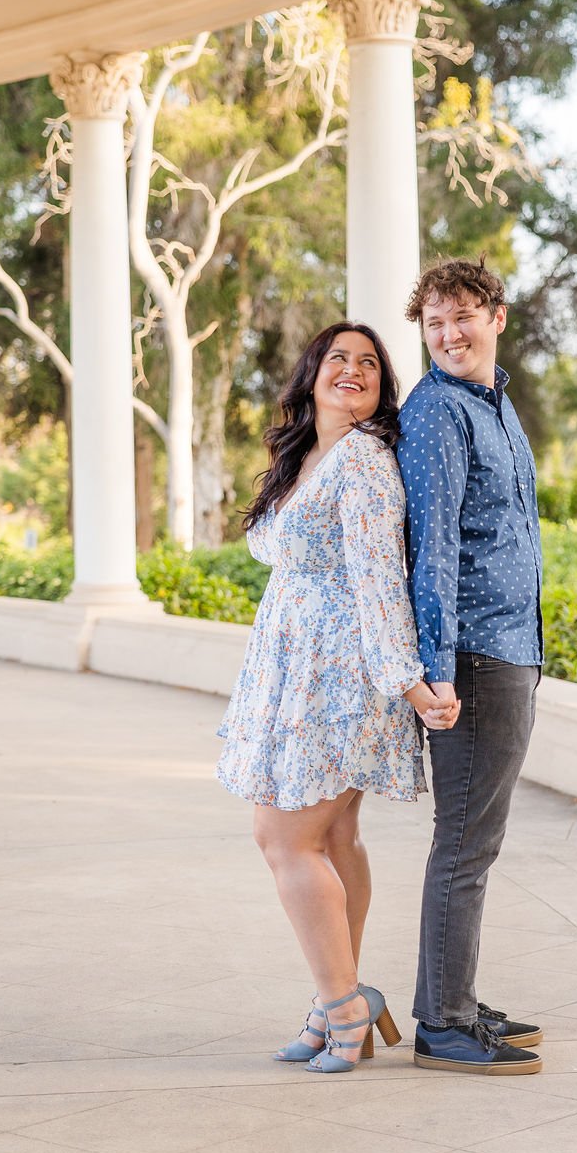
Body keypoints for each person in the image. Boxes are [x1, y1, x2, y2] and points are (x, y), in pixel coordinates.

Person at [216, 321, 458, 1075]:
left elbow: (379, 583)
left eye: (369, 365)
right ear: (312, 373)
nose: (352, 370)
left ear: (382, 388)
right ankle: (336, 1000)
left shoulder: (362, 465)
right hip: (294, 673)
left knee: (283, 839)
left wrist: (411, 686)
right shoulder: (304, 456)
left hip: (342, 678)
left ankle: (346, 1005)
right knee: (331, 840)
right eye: (338, 358)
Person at [397, 257, 544, 1075]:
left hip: (509, 646)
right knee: (464, 843)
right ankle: (444, 1025)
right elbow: (435, 548)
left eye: (463, 317)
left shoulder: (493, 403)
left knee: (475, 841)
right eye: (433, 322)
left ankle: (453, 1001)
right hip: (476, 658)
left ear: (497, 316)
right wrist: (438, 666)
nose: (449, 334)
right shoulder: (438, 413)